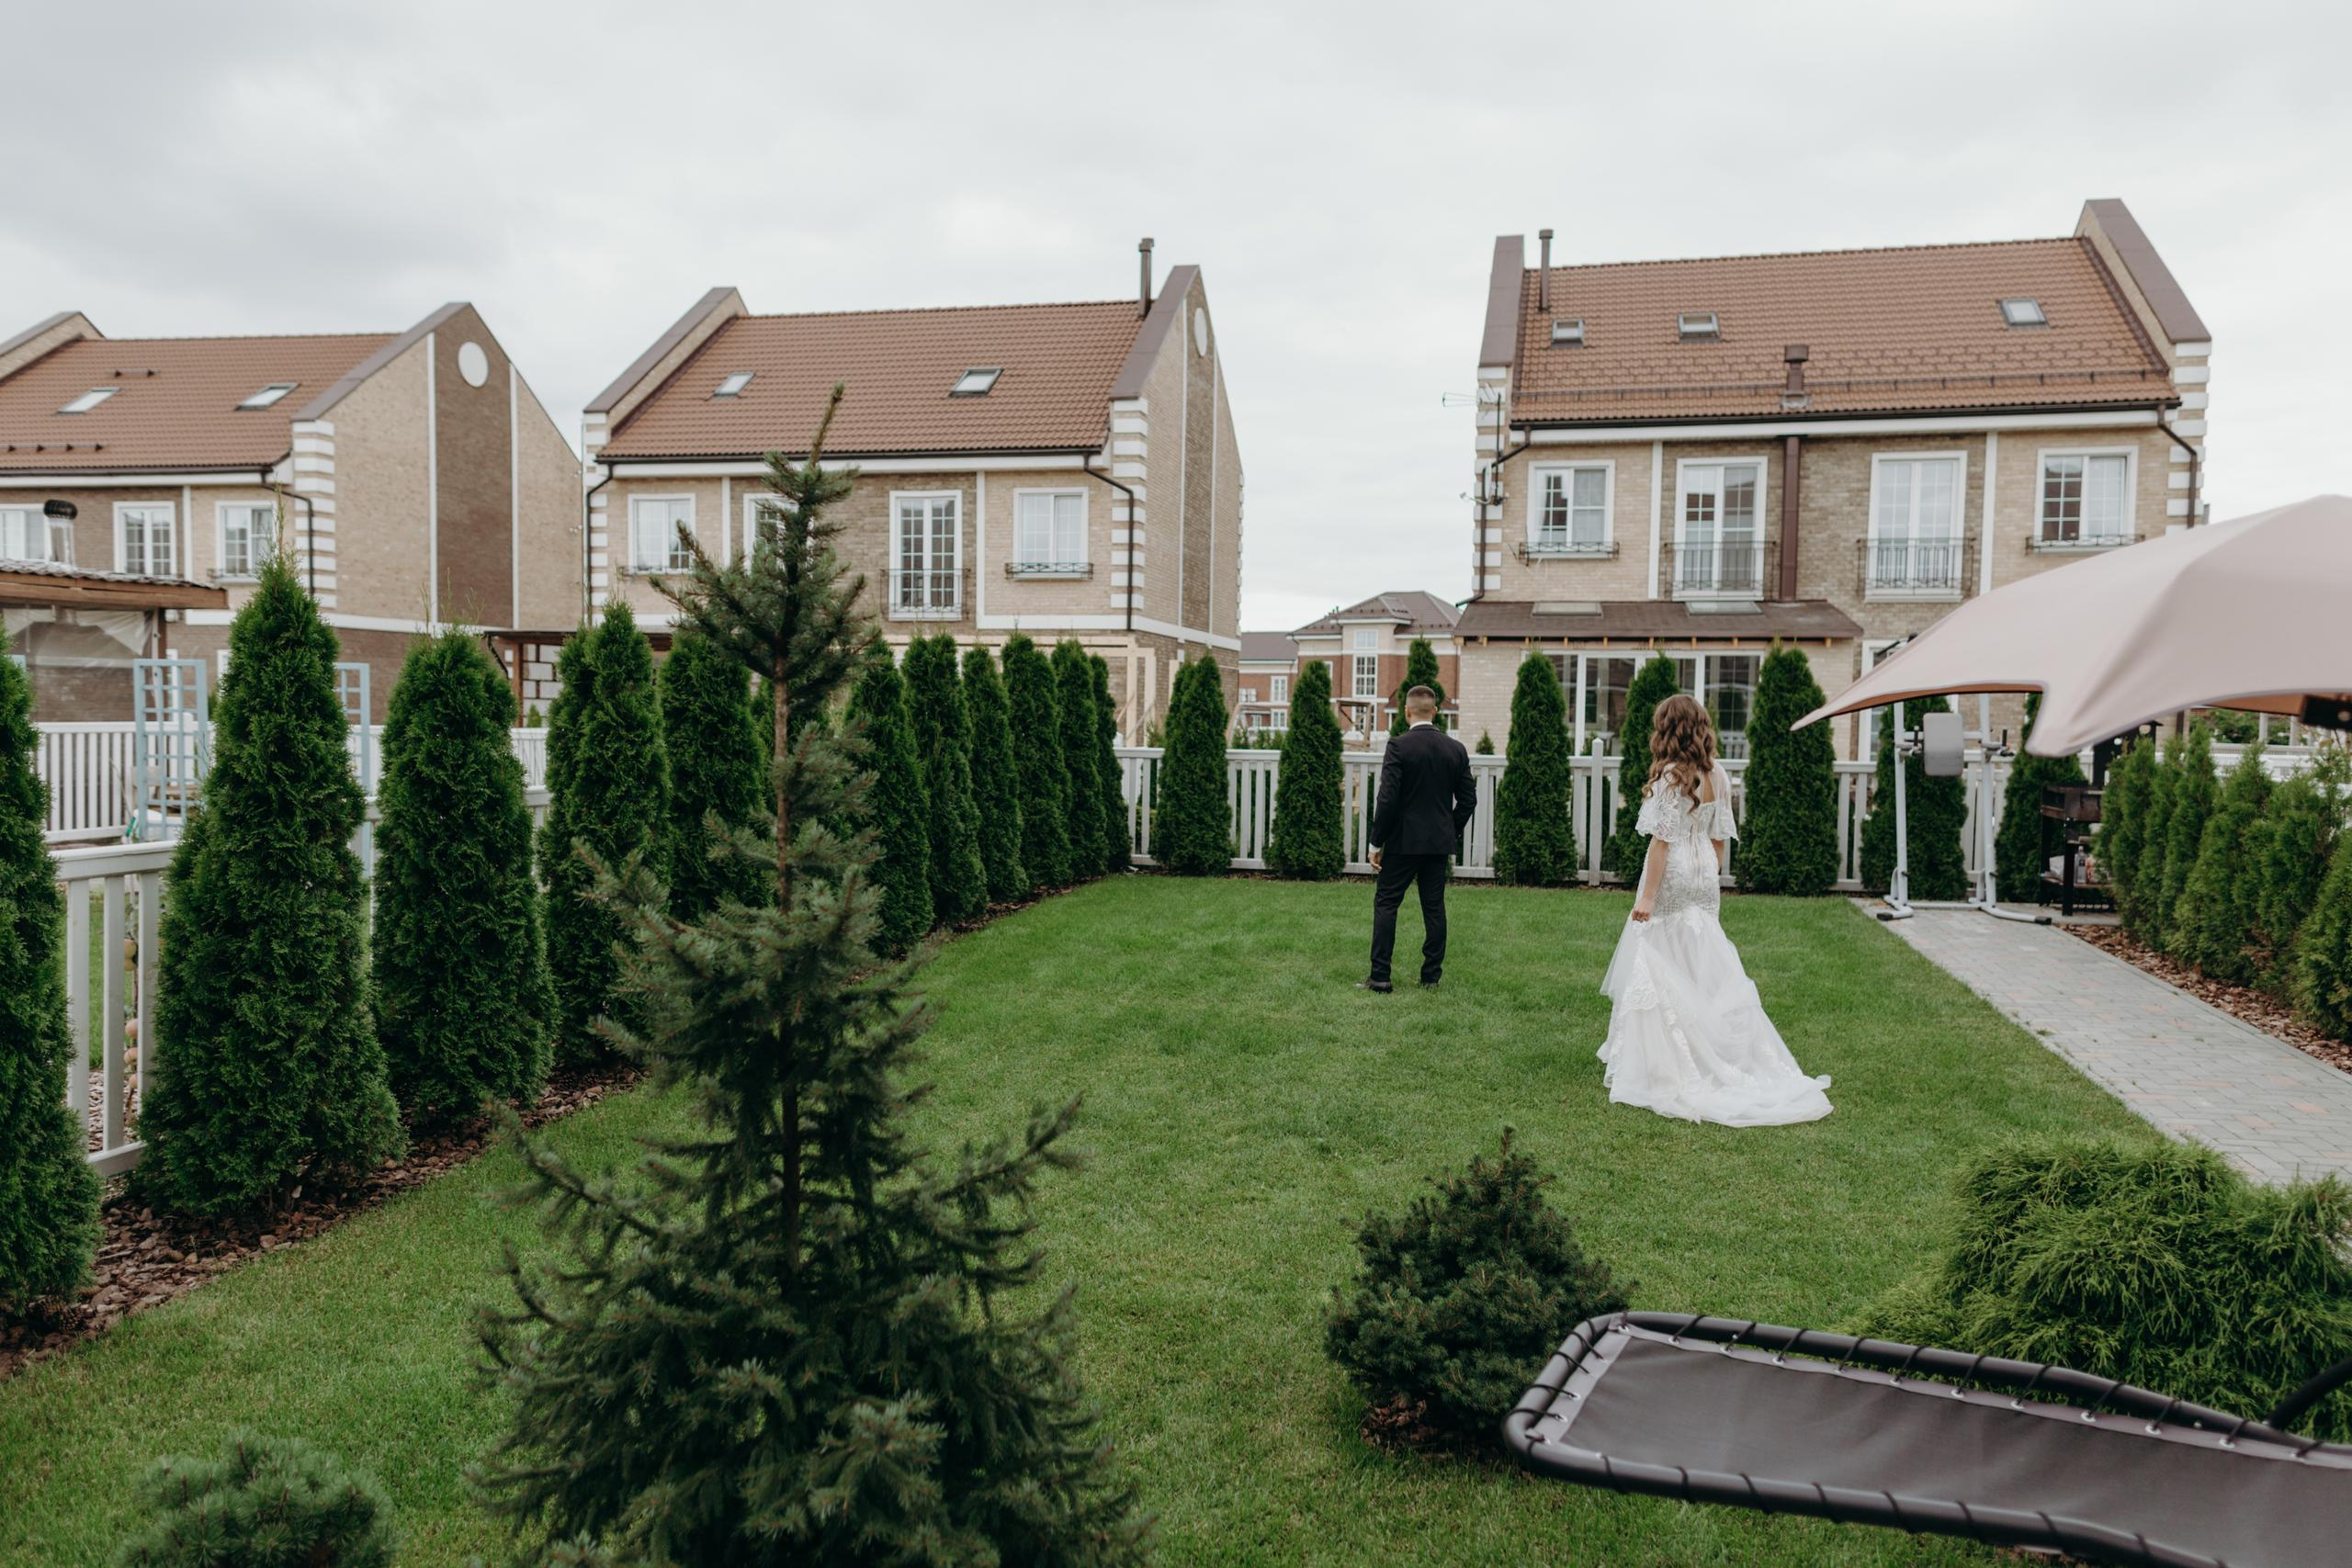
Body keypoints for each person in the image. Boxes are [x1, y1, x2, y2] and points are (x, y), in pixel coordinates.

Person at [1597, 694, 1833, 1125]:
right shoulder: (1718, 774)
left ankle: (1670, 1058)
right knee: (1703, 952)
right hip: (1706, 870)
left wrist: (1647, 897)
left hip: (1676, 868)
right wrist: (1707, 871)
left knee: (1659, 952)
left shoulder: (1672, 776)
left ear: (1668, 730)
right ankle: (1712, 1043)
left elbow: (1661, 842)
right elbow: (1720, 836)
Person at [1362, 686, 1476, 992]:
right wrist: (1450, 830)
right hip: (1438, 843)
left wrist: (1376, 843)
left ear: (1407, 712)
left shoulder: (1398, 746)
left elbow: (1387, 799)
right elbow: (1468, 800)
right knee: (1434, 907)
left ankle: (1381, 977)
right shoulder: (1456, 749)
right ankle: (1431, 977)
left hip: (1402, 842)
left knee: (1387, 903)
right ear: (1435, 712)